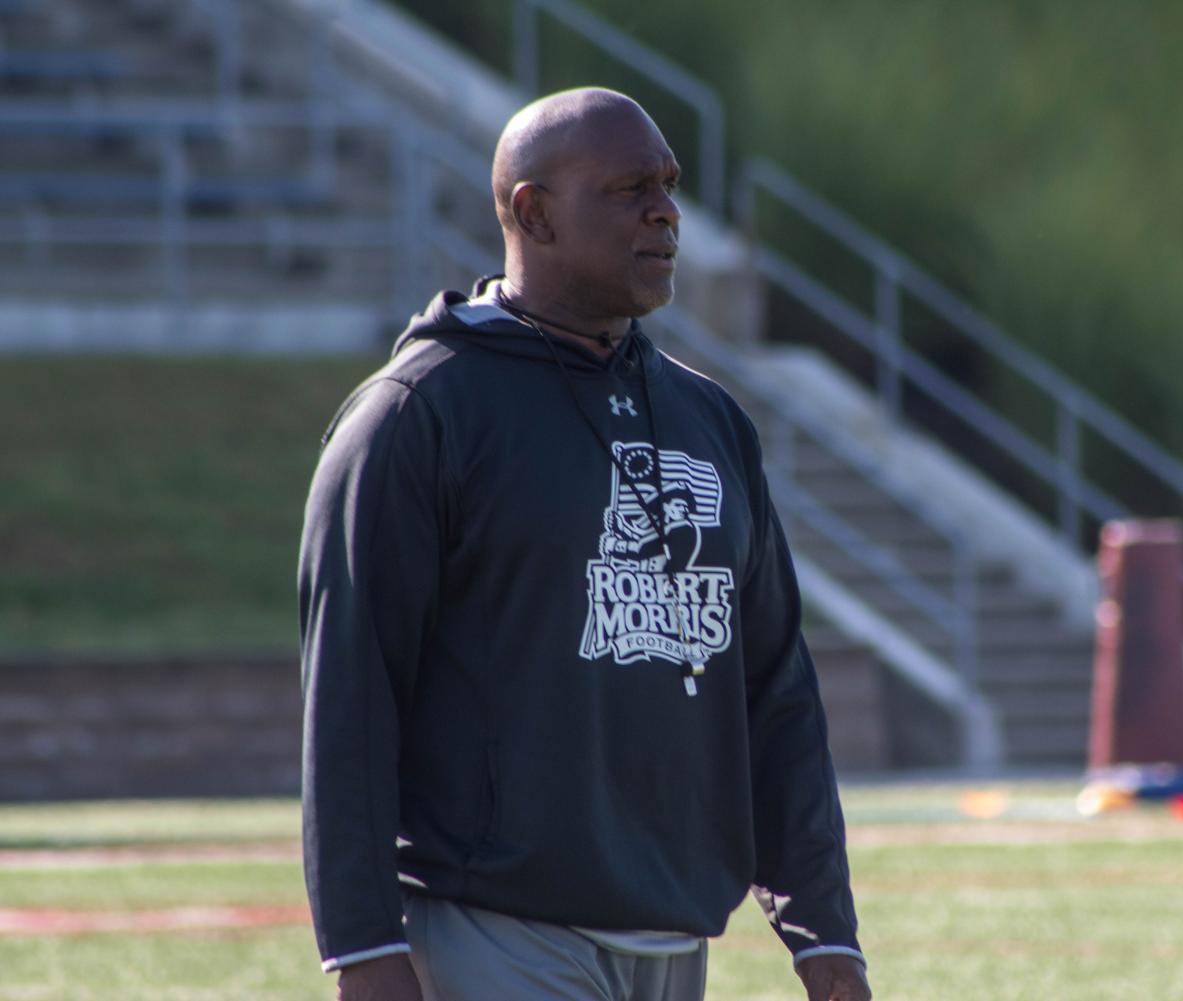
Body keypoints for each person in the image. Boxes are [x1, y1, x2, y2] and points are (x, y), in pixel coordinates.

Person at [298, 87, 872, 1001]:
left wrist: (822, 929)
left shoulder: (710, 419)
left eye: (671, 185)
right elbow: (351, 700)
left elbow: (775, 690)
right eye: (628, 188)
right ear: (535, 212)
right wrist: (364, 951)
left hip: (674, 932)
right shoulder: (418, 414)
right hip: (492, 925)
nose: (665, 212)